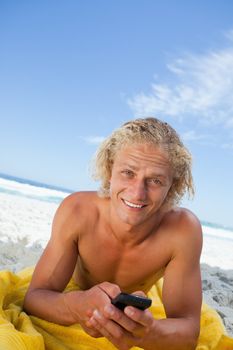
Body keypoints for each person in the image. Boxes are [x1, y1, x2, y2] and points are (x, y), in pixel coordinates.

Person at [23, 117, 203, 350]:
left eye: (156, 180)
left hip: (135, 311)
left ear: (173, 186)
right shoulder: (77, 211)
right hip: (76, 294)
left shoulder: (183, 231)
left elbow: (189, 331)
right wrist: (76, 306)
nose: (138, 193)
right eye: (128, 173)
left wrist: (148, 332)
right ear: (110, 170)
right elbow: (35, 298)